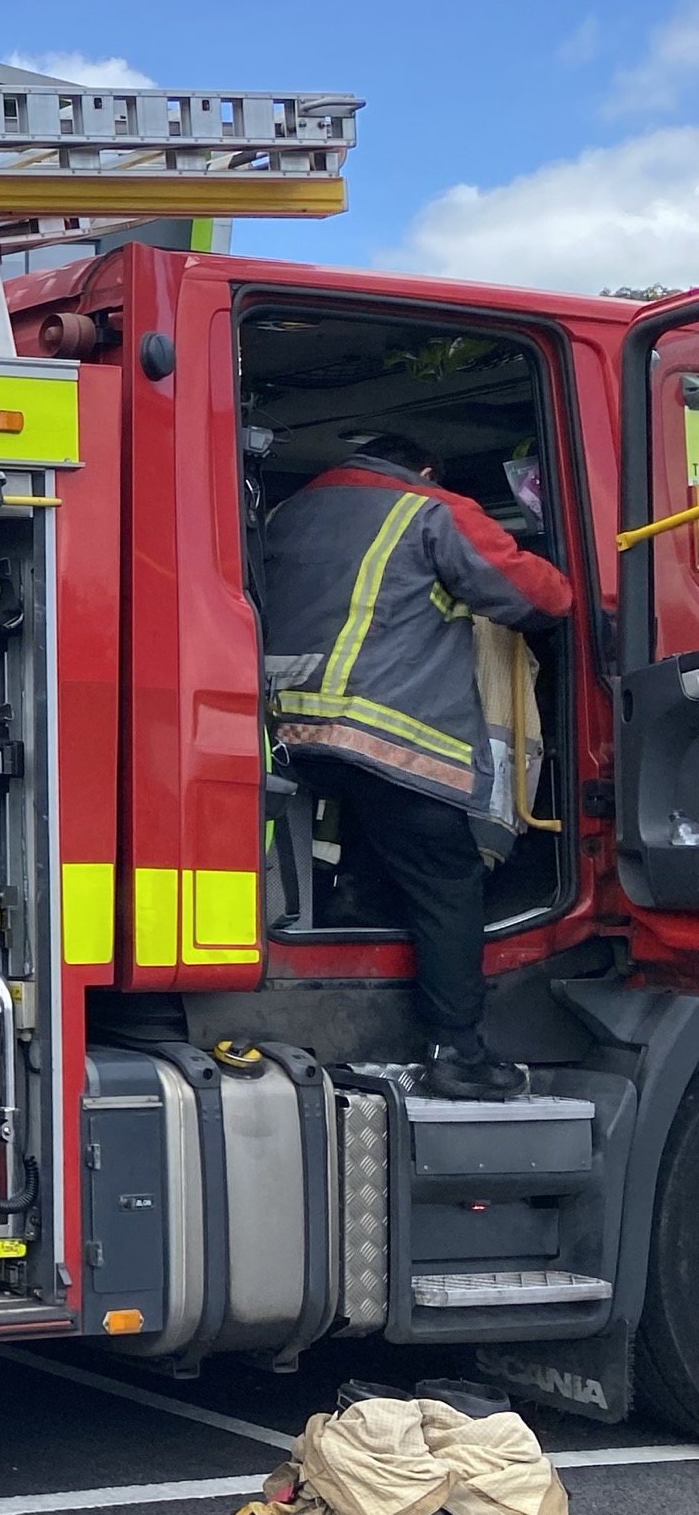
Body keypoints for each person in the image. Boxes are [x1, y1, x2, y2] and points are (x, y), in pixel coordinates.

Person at [261, 432, 570, 1099]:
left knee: (365, 849)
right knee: (447, 880)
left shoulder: (288, 510)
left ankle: (354, 926)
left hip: (285, 731)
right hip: (383, 733)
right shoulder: (430, 508)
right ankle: (458, 1052)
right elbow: (540, 598)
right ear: (426, 470)